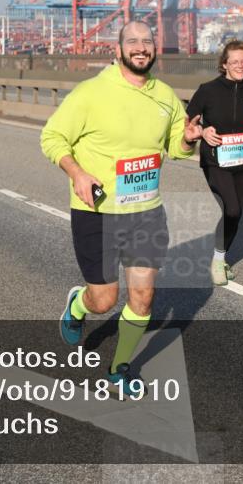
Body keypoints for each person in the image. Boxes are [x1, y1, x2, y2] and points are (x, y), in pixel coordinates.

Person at [41, 21, 202, 395]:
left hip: (146, 210)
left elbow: (176, 149)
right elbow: (52, 137)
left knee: (143, 297)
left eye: (147, 41)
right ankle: (78, 306)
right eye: (132, 41)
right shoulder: (91, 93)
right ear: (118, 50)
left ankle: (119, 368)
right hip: (97, 211)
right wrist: (77, 173)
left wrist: (189, 139)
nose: (141, 47)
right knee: (104, 300)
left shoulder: (165, 96)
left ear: (154, 50)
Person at [186, 40, 243, 286]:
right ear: (224, 64)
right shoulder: (207, 90)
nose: (239, 66)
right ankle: (217, 261)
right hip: (216, 161)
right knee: (231, 208)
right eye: (234, 62)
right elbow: (188, 122)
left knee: (236, 214)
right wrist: (202, 132)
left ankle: (220, 258)